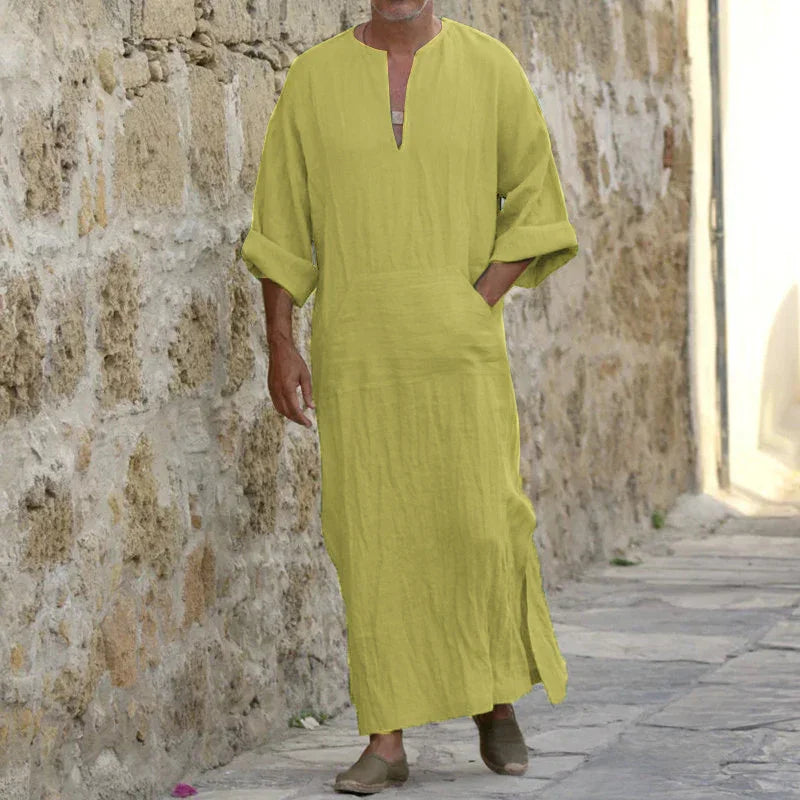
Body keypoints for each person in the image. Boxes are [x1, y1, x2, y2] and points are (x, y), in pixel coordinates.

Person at [241, 0, 579, 794]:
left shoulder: (490, 68)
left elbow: (535, 197)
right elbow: (281, 222)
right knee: (374, 535)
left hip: (459, 354)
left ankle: (494, 697)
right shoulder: (313, 80)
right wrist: (281, 340)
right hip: (359, 353)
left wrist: (476, 301)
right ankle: (385, 743)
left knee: (480, 524)